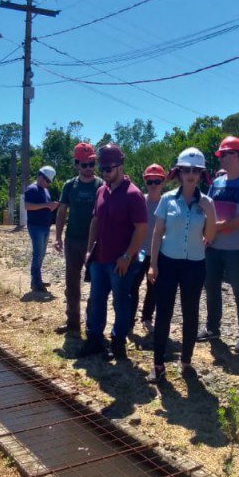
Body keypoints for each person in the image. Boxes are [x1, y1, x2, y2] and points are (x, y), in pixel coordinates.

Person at [146, 148, 217, 383]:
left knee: (191, 312)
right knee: (164, 312)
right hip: (167, 261)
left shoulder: (207, 202)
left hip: (194, 264)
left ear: (201, 174)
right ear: (178, 172)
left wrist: (210, 215)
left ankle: (186, 360)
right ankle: (158, 364)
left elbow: (210, 235)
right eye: (186, 169)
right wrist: (153, 264)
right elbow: (157, 234)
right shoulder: (167, 199)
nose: (191, 174)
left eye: (195, 170)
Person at [81, 144, 148, 360]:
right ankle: (94, 340)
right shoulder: (102, 190)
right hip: (99, 259)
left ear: (120, 166)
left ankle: (118, 342)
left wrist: (127, 256)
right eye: (103, 168)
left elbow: (141, 229)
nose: (105, 172)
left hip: (121, 261)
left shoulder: (134, 194)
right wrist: (89, 250)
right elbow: (95, 221)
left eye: (109, 168)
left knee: (121, 302)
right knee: (97, 300)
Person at [197, 136, 239, 351]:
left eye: (224, 154)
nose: (221, 158)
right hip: (213, 246)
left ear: (236, 156)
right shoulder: (216, 183)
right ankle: (212, 328)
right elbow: (207, 210)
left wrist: (222, 226)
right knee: (211, 287)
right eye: (220, 155)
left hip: (236, 249)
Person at [54, 143, 101, 336]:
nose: (89, 168)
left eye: (92, 163)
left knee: (96, 284)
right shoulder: (69, 185)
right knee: (72, 283)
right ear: (76, 165)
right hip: (73, 240)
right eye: (84, 165)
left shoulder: (101, 185)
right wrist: (57, 237)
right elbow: (62, 212)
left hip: (96, 243)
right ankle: (73, 322)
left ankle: (92, 323)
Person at [131, 164, 165, 333]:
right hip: (141, 252)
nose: (153, 185)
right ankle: (129, 319)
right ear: (145, 182)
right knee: (133, 284)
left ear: (162, 182)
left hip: (157, 253)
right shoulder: (139, 200)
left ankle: (147, 317)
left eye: (157, 181)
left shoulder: (166, 203)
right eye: (150, 181)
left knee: (153, 287)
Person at [23, 165, 59, 293]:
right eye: (47, 181)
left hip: (44, 227)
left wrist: (51, 206)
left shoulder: (44, 190)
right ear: (40, 176)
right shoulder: (32, 189)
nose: (48, 184)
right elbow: (27, 206)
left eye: (49, 182)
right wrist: (47, 205)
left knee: (41, 254)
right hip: (36, 226)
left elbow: (44, 206)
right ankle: (35, 282)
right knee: (37, 254)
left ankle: (38, 280)